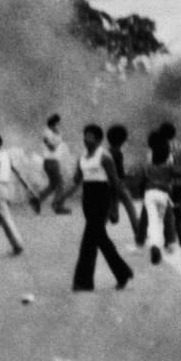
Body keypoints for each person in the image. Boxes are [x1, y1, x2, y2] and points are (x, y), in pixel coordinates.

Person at [70, 124, 133, 291]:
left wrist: (115, 208)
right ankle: (123, 273)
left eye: (89, 136)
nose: (85, 139)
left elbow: (115, 183)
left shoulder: (105, 157)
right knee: (101, 239)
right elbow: (77, 179)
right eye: (84, 135)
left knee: (88, 241)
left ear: (98, 139)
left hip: (101, 198)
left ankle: (83, 282)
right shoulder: (82, 157)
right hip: (88, 199)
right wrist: (75, 175)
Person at [138, 131, 181, 265]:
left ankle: (142, 239)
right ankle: (169, 242)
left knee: (148, 218)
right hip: (164, 191)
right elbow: (175, 172)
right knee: (167, 218)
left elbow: (144, 175)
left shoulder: (149, 155)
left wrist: (142, 189)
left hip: (149, 191)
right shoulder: (168, 156)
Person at [106, 124, 144, 244]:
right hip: (118, 184)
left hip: (108, 185)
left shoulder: (106, 152)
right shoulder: (118, 153)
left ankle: (108, 218)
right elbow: (120, 173)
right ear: (122, 140)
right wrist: (130, 174)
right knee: (130, 206)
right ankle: (138, 232)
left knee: (113, 215)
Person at [35, 114, 71, 215]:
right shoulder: (47, 133)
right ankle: (57, 205)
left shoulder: (54, 133)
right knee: (60, 184)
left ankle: (37, 201)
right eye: (58, 123)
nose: (60, 125)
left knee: (53, 185)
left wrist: (58, 136)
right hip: (51, 162)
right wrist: (58, 139)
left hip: (52, 161)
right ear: (54, 123)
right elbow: (51, 147)